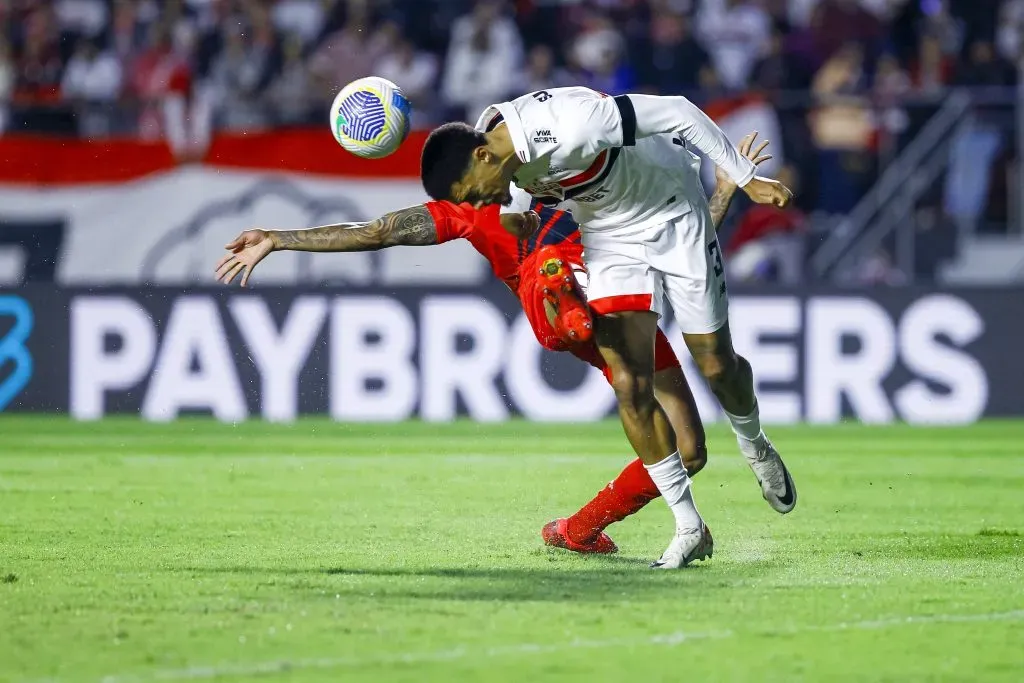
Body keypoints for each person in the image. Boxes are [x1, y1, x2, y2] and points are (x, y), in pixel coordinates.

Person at [215, 133, 774, 564]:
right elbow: (379, 230)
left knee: (690, 451)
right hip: (555, 303)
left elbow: (685, 246)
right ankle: (567, 287)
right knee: (558, 272)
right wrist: (280, 238)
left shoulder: (591, 186)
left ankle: (579, 530)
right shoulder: (472, 208)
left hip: (622, 314)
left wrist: (723, 188)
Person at [418, 85, 796, 568]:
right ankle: (688, 527)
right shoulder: (502, 156)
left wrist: (744, 180)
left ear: (482, 156)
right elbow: (515, 196)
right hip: (608, 236)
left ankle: (754, 442)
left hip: (674, 210)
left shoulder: (574, 124)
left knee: (716, 365)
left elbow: (678, 110)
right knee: (628, 382)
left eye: (473, 191)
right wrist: (517, 218)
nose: (477, 203)